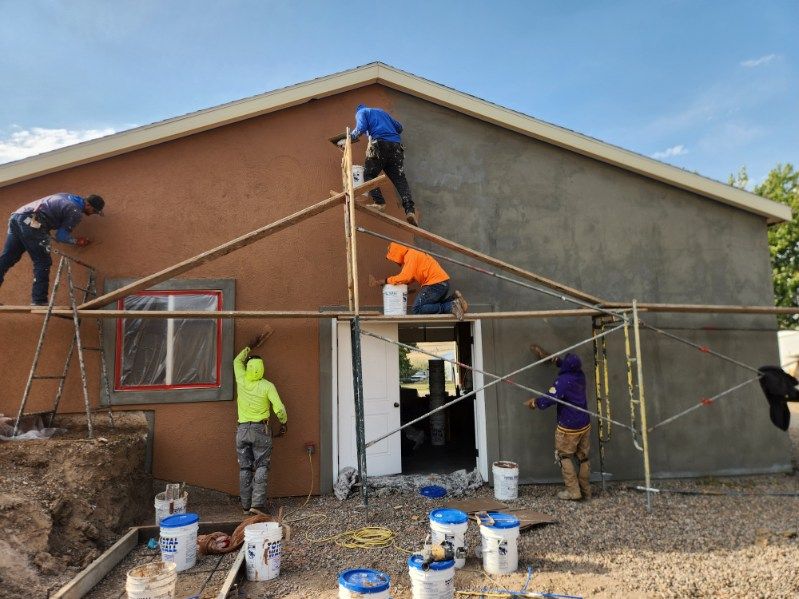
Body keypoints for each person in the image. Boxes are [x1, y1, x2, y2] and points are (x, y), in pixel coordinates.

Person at [0, 192, 104, 305]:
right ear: (88, 205)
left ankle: (38, 300)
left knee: (7, 259)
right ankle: (39, 301)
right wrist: (76, 241)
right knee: (43, 262)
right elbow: (61, 236)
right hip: (31, 221)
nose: (93, 214)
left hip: (17, 217)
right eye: (94, 211)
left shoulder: (66, 195)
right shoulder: (75, 211)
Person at [525, 344, 591, 501]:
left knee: (564, 456)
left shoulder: (563, 381)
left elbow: (550, 397)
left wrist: (535, 403)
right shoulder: (580, 375)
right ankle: (586, 491)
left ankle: (573, 491)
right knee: (583, 458)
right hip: (584, 423)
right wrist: (554, 359)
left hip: (568, 427)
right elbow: (566, 366)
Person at [233, 326, 287, 514]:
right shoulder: (267, 386)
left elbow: (236, 361)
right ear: (262, 369)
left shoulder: (241, 379)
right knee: (262, 465)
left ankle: (246, 505)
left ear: (248, 368)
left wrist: (250, 346)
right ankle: (257, 505)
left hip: (242, 430)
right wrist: (283, 422)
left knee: (245, 468)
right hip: (260, 431)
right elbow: (279, 408)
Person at [343, 103, 419, 226]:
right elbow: (399, 127)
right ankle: (410, 211)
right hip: (396, 147)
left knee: (369, 174)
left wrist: (349, 138)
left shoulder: (362, 112)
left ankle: (379, 202)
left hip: (380, 144)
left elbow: (360, 128)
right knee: (400, 180)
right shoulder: (382, 112)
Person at [370, 242, 468, 319]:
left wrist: (384, 281)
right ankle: (454, 299)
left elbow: (404, 277)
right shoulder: (413, 254)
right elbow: (410, 278)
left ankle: (451, 306)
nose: (395, 262)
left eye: (393, 259)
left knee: (417, 308)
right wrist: (402, 286)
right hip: (443, 284)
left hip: (435, 285)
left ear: (396, 254)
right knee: (431, 305)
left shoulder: (410, 257)